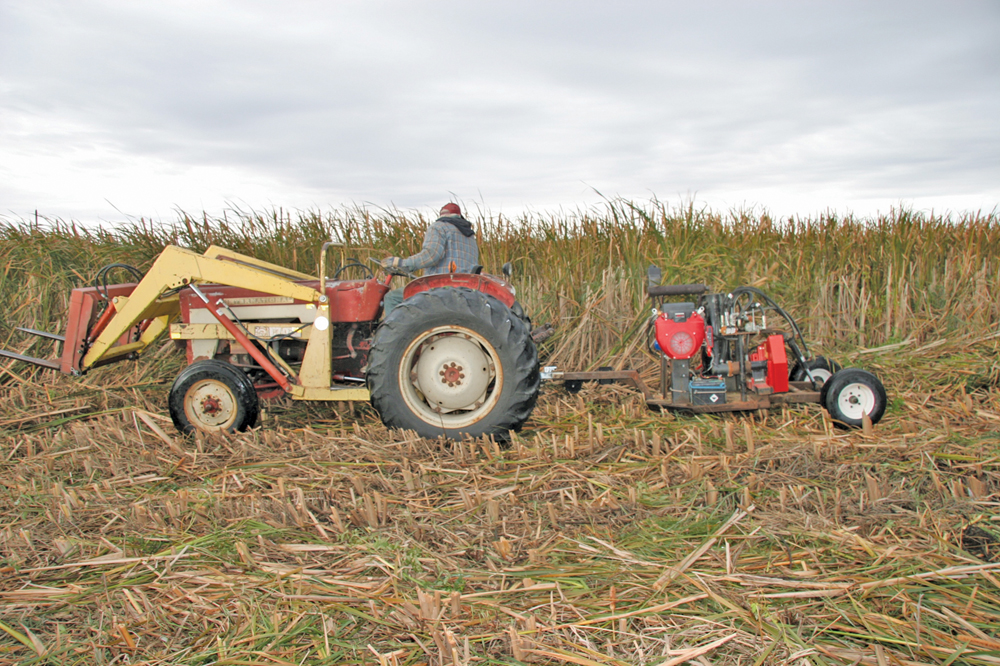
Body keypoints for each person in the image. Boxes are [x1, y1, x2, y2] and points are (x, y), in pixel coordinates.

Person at [380, 203, 479, 316]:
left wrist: (402, 263)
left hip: (441, 286)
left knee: (392, 298)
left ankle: (395, 332)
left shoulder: (439, 226)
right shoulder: (470, 236)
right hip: (465, 286)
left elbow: (431, 255)